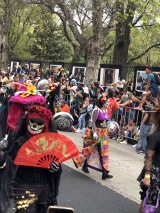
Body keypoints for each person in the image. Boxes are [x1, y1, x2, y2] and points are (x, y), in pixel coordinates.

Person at [1, 105, 62, 213]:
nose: (34, 126)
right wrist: (2, 152)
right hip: (23, 185)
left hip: (44, 186)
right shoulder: (20, 141)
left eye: (39, 124)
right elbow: (8, 161)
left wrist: (55, 168)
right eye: (32, 122)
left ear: (45, 126)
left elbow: (57, 166)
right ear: (27, 123)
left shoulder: (50, 145)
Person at [73, 95, 113, 180]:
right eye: (107, 102)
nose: (109, 103)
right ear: (103, 102)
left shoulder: (107, 110)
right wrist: (94, 133)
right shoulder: (96, 110)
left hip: (104, 133)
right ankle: (80, 161)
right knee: (90, 149)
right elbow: (93, 122)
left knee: (103, 152)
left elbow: (106, 121)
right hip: (96, 132)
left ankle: (104, 172)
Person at [137, 108, 160, 213]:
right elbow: (148, 157)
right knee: (147, 201)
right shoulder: (155, 136)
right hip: (153, 173)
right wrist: (147, 177)